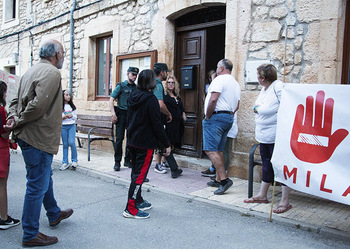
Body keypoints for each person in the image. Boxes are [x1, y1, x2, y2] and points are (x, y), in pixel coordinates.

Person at [5, 39, 73, 247]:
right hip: (38, 138)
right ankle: (30, 233)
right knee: (36, 185)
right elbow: (38, 105)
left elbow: (14, 100)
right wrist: (19, 119)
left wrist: (13, 116)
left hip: (29, 136)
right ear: (56, 55)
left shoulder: (29, 71)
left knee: (44, 178)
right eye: (62, 52)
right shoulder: (52, 73)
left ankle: (53, 213)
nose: (63, 56)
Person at [243, 63, 292, 214]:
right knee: (266, 164)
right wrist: (261, 109)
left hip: (276, 135)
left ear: (263, 77)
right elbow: (256, 107)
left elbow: (286, 104)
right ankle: (262, 195)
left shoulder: (278, 86)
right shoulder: (264, 90)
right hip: (264, 135)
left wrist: (264, 110)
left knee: (281, 167)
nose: (257, 79)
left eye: (258, 76)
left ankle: (285, 201)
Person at [123, 69, 171, 219]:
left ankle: (137, 199)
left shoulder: (133, 96)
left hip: (133, 141)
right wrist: (165, 144)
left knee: (136, 173)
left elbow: (129, 119)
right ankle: (130, 208)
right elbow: (156, 124)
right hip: (144, 143)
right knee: (139, 175)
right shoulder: (150, 99)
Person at [203, 59, 240, 195]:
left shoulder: (219, 79)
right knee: (219, 150)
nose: (217, 69)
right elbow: (237, 105)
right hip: (228, 117)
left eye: (218, 67)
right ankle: (218, 179)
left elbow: (213, 99)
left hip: (216, 117)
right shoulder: (235, 83)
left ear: (221, 68)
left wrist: (208, 115)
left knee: (210, 150)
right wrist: (228, 115)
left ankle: (224, 180)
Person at [152, 63, 182, 178]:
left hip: (152, 119)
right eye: (166, 72)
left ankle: (173, 168)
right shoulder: (158, 85)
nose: (167, 74)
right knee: (164, 142)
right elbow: (160, 104)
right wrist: (168, 114)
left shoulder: (151, 83)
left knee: (163, 143)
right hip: (156, 119)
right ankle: (168, 167)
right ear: (162, 72)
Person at [109, 67, 139, 171]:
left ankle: (128, 160)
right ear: (127, 74)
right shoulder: (121, 86)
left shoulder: (136, 88)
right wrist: (113, 114)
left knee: (131, 139)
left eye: (136, 75)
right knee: (119, 139)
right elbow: (111, 99)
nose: (134, 76)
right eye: (132, 74)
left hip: (132, 115)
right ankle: (117, 162)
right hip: (121, 114)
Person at [0, 81, 20, 230]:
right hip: (1, 149)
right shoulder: (1, 110)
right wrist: (12, 127)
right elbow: (4, 132)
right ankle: (4, 218)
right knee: (2, 185)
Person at [160, 75, 186, 176]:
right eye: (169, 82)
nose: (171, 84)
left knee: (173, 143)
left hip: (177, 123)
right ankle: (163, 162)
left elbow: (181, 107)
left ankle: (166, 162)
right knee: (168, 143)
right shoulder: (165, 96)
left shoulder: (177, 96)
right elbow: (162, 108)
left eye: (172, 82)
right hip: (169, 122)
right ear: (166, 84)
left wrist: (183, 113)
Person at [60, 89, 78, 171]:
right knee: (65, 144)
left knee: (72, 142)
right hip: (63, 126)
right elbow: (58, 117)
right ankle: (65, 162)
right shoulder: (60, 107)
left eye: (69, 95)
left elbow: (75, 116)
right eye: (66, 95)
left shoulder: (72, 106)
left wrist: (71, 116)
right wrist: (63, 117)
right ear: (62, 96)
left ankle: (74, 160)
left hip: (71, 125)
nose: (68, 96)